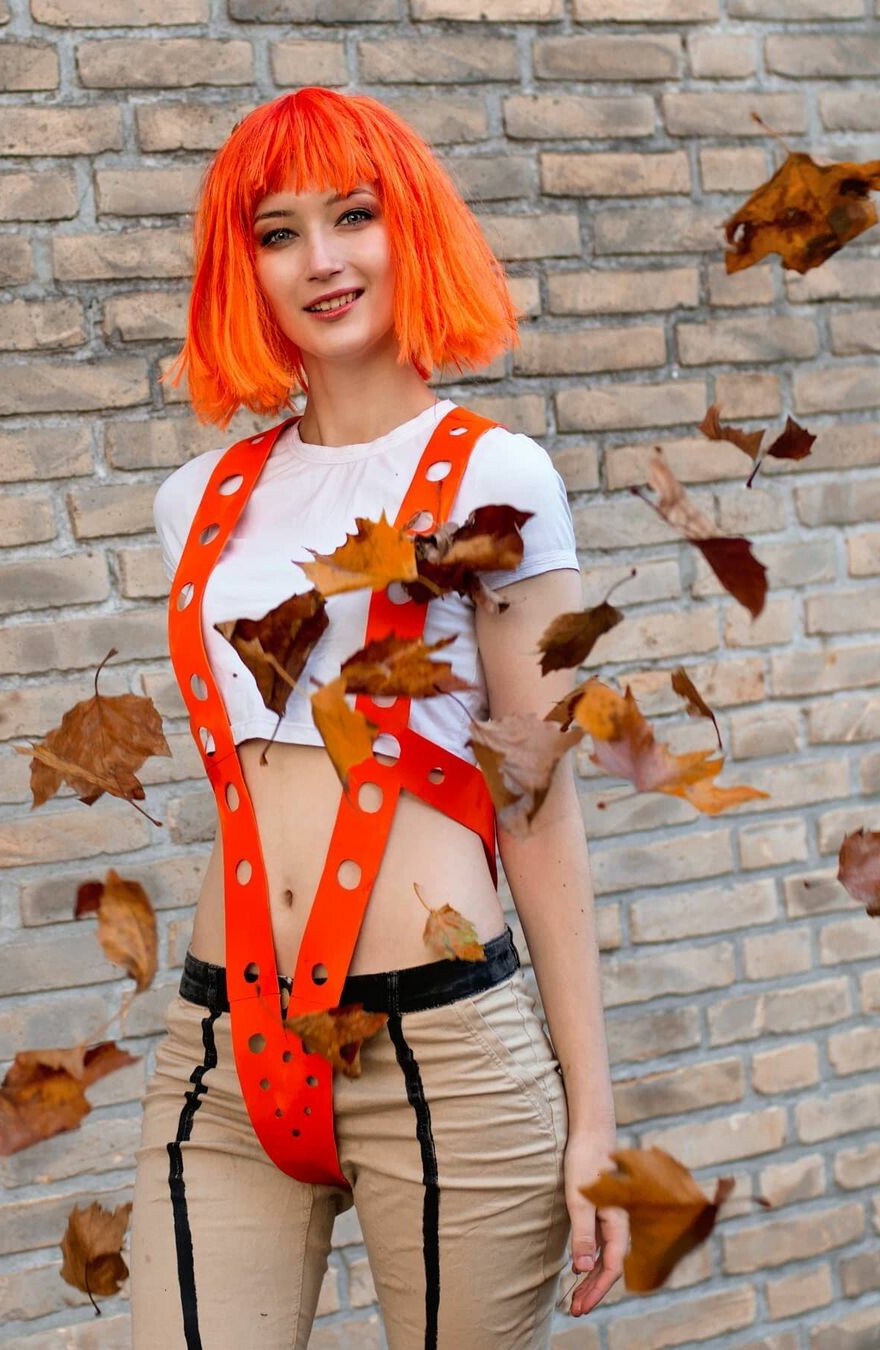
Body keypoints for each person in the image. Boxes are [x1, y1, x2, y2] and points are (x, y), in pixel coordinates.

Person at [129, 86, 626, 1350]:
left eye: (353, 216)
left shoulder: (497, 477)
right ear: (242, 269)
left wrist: (594, 1118)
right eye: (277, 232)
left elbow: (538, 806)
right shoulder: (198, 500)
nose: (322, 259)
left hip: (446, 1055)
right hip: (225, 1049)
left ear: (410, 229)